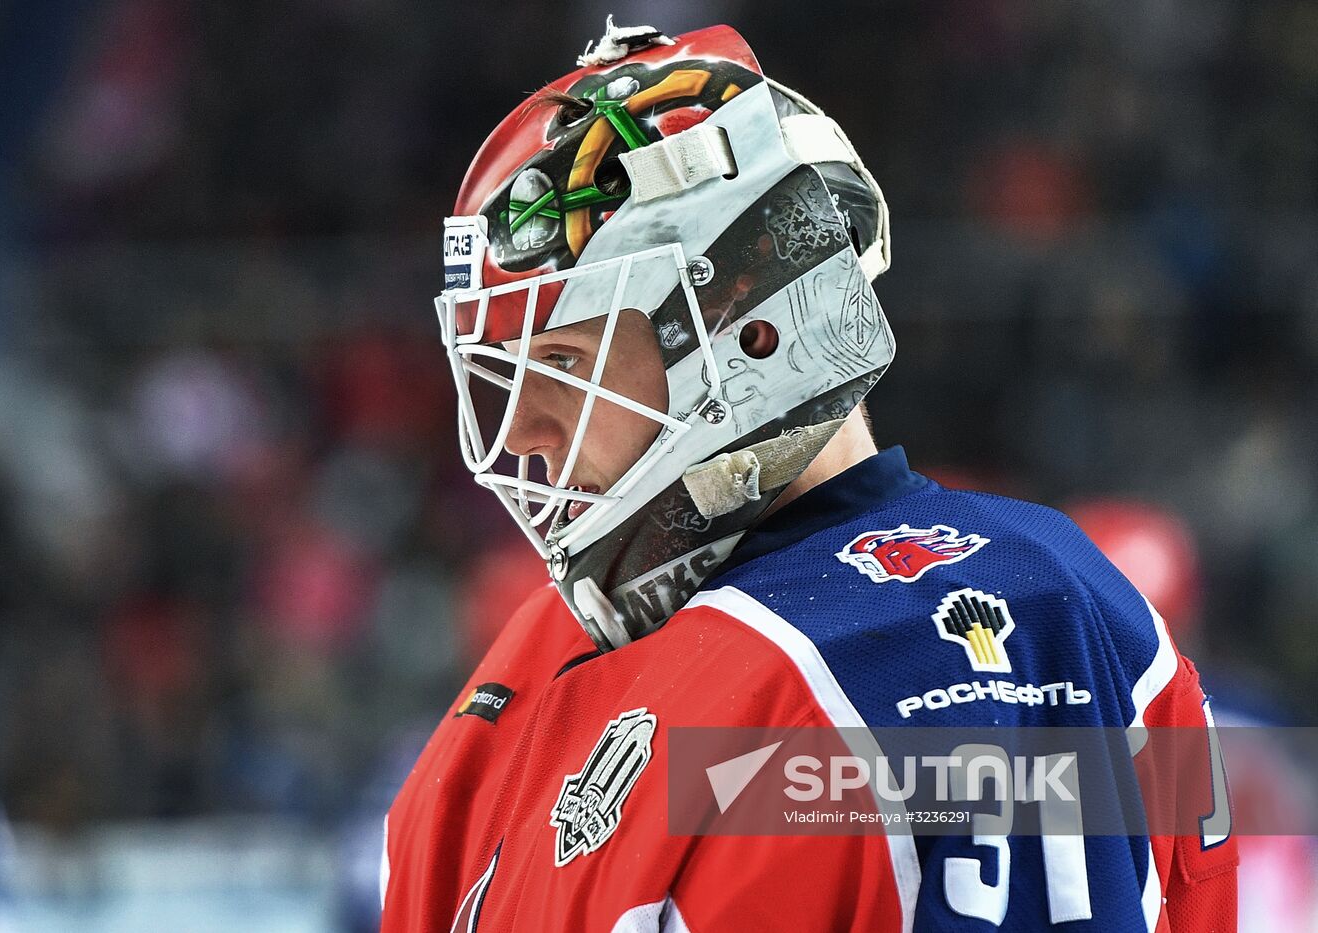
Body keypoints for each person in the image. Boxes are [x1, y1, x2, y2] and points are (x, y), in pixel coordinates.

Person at [381, 20, 1238, 932]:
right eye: (506, 374)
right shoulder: (538, 649)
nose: (524, 433)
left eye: (562, 360)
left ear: (753, 327)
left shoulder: (984, 626)